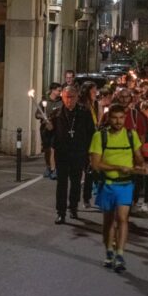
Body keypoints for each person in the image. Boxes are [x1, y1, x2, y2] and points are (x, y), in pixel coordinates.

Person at [89, 104, 148, 273]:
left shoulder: (131, 135)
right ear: (109, 119)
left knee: (122, 218)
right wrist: (117, 168)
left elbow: (138, 157)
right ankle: (109, 251)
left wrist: (142, 166)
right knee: (108, 221)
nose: (118, 121)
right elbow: (96, 164)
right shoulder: (99, 137)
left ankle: (120, 254)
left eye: (121, 118)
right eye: (115, 118)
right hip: (107, 184)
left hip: (126, 184)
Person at [45, 86, 95, 224]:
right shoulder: (56, 114)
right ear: (62, 97)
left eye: (72, 97)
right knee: (61, 183)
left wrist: (90, 152)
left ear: (77, 97)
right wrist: (48, 128)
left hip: (78, 153)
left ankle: (73, 207)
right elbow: (49, 135)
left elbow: (91, 133)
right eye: (66, 97)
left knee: (76, 183)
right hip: (62, 153)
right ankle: (60, 212)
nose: (69, 100)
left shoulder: (84, 113)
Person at [133, 100, 148, 213]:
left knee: (147, 179)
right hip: (139, 154)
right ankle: (134, 202)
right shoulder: (139, 122)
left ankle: (145, 202)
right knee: (137, 180)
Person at [79, 81, 100, 209]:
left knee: (90, 171)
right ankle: (81, 198)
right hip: (84, 142)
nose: (95, 94)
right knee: (85, 170)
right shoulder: (82, 106)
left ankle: (87, 197)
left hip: (93, 141)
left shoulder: (95, 104)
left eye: (95, 91)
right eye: (93, 92)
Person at [36, 82, 62, 180]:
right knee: (47, 149)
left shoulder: (61, 101)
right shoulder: (44, 101)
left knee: (53, 149)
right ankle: (48, 166)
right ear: (53, 90)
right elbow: (37, 114)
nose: (60, 92)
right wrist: (43, 116)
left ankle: (53, 169)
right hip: (45, 128)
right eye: (58, 90)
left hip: (56, 128)